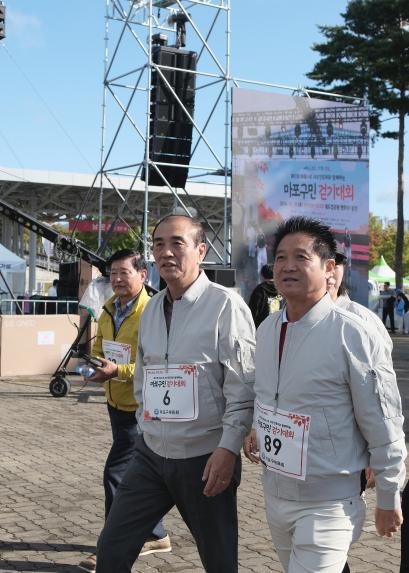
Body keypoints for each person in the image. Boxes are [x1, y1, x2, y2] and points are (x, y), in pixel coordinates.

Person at [244, 216, 406, 573]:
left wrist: (389, 493)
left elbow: (383, 420)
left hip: (329, 502)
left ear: (329, 268)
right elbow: (266, 393)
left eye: (300, 257)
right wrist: (257, 424)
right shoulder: (269, 329)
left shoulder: (352, 333)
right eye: (281, 258)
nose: (287, 266)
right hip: (275, 494)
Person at [96, 215, 256, 573]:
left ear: (200, 250)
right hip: (151, 455)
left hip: (206, 459)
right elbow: (145, 376)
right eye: (158, 245)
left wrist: (228, 449)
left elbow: (243, 387)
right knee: (111, 550)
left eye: (177, 243)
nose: (165, 252)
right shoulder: (152, 308)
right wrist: (145, 428)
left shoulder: (225, 306)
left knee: (219, 561)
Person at [78, 249, 170, 573]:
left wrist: (119, 371)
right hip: (115, 403)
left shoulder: (153, 311)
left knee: (115, 474)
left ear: (143, 275)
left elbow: (156, 363)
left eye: (123, 273)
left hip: (142, 407)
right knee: (143, 472)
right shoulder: (107, 310)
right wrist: (94, 367)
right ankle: (156, 533)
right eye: (112, 273)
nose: (116, 279)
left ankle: (110, 546)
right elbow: (100, 349)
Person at [248, 263, 280, 329]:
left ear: (262, 276)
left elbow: (252, 313)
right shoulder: (284, 289)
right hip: (281, 330)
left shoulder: (259, 291)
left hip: (262, 331)